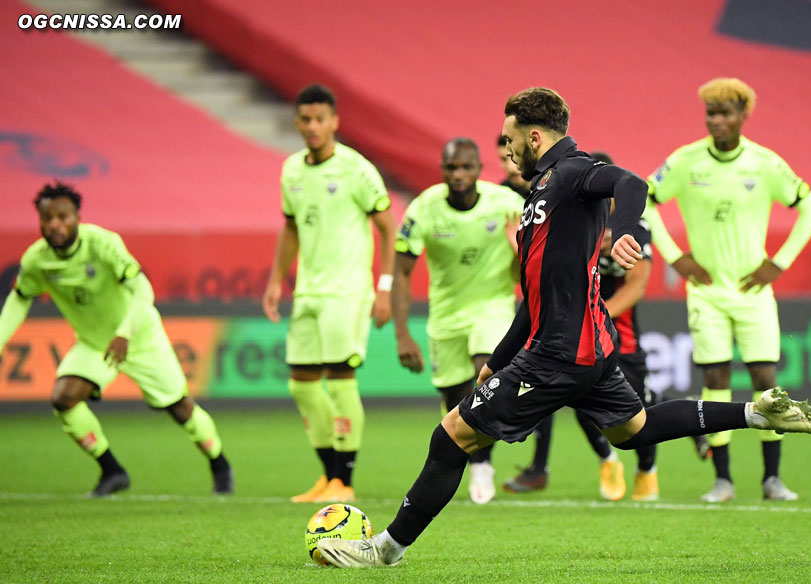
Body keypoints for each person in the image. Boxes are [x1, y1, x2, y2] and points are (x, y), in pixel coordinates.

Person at [317, 87, 811, 567]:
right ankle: (756, 415)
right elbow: (535, 294)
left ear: (534, 137)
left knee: (451, 436)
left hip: (559, 351)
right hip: (585, 345)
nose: (508, 148)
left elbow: (629, 182)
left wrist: (626, 229)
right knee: (636, 428)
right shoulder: (540, 190)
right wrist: (497, 360)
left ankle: (384, 549)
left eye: (510, 138)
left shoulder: (571, 172)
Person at [642, 78, 811, 503]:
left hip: (752, 292)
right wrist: (673, 256)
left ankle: (772, 479)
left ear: (744, 116)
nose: (717, 121)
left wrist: (778, 261)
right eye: (711, 113)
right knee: (715, 377)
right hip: (706, 292)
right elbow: (645, 199)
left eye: (726, 113)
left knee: (765, 378)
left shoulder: (764, 163)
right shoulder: (686, 162)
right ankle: (722, 480)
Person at [0, 182, 234, 497]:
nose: (55, 224)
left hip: (139, 337)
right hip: (95, 344)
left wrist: (125, 333)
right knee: (63, 398)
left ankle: (219, 462)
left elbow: (143, 290)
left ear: (77, 217)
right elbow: (20, 298)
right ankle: (112, 470)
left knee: (180, 408)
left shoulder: (103, 244)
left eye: (63, 216)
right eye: (47, 218)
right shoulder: (37, 260)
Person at [503, 152, 710, 502]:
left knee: (640, 413)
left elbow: (636, 285)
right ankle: (608, 460)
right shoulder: (571, 221)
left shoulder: (636, 226)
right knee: (581, 404)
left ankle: (647, 471)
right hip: (581, 333)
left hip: (620, 334)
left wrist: (598, 313)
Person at [263, 84, 395, 504]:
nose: (313, 126)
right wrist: (274, 280)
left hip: (347, 291)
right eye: (306, 119)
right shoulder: (291, 171)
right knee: (301, 384)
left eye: (321, 119)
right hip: (308, 292)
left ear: (335, 121)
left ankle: (345, 479)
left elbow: (389, 227)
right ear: (297, 122)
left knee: (339, 379)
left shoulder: (356, 169)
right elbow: (290, 228)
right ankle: (326, 476)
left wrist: (384, 287)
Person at [392, 137, 523, 504]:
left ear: (481, 170)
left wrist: (518, 248)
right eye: (452, 167)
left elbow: (529, 268)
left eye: (467, 167)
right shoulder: (424, 208)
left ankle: (483, 464)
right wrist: (402, 334)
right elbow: (401, 271)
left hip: (493, 306)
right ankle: (472, 459)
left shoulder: (507, 205)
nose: (459, 174)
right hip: (447, 314)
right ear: (443, 170)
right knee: (455, 399)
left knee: (487, 372)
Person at [497, 134, 532, 198]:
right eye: (504, 159)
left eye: (515, 156)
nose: (511, 168)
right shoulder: (503, 193)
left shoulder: (551, 188)